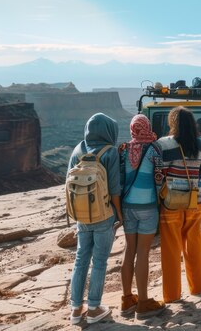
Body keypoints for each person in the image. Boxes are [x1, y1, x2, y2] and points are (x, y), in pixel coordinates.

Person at [156, 107, 201, 303]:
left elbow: (159, 174)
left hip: (171, 203)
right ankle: (198, 287)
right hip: (194, 202)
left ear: (172, 122)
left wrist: (164, 191)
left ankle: (172, 295)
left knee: (171, 249)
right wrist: (196, 187)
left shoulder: (162, 144)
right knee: (194, 245)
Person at [68, 113, 123, 325]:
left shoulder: (77, 150)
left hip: (81, 216)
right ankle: (93, 308)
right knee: (99, 261)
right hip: (103, 215)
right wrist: (119, 214)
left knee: (80, 260)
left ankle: (75, 310)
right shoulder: (110, 152)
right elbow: (115, 189)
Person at [119, 115, 166, 319]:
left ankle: (127, 299)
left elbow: (119, 180)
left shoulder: (122, 150)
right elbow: (159, 180)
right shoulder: (155, 149)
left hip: (127, 207)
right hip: (147, 207)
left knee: (129, 251)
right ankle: (144, 304)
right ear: (146, 127)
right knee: (143, 254)